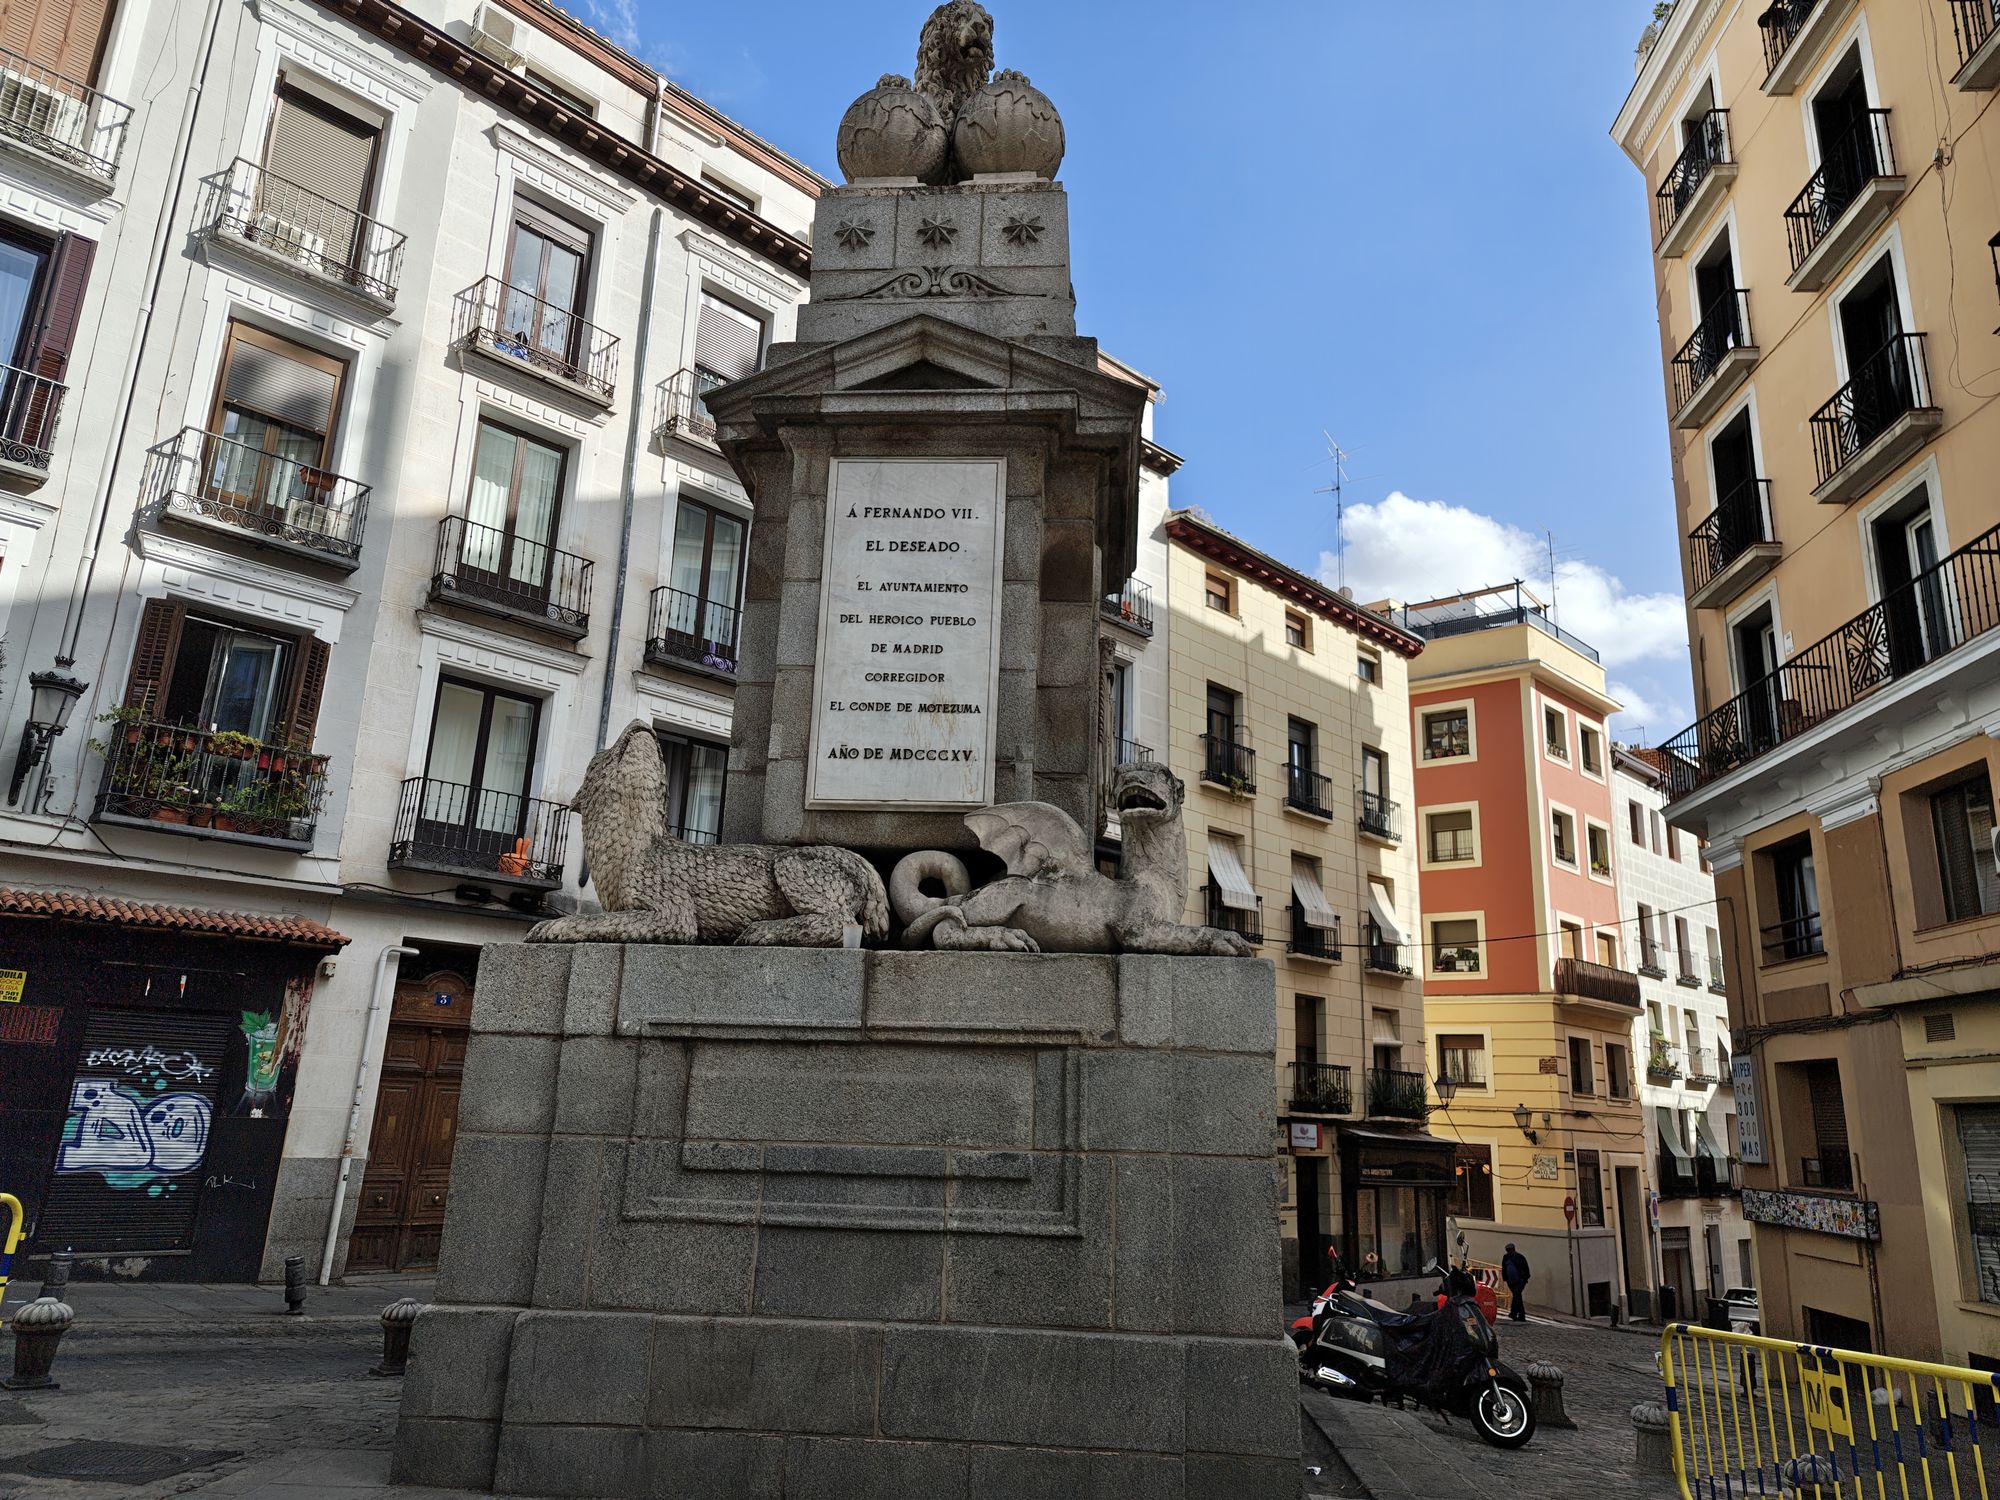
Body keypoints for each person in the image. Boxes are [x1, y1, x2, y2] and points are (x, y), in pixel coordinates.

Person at [1500, 1242, 1531, 1322]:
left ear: (1513, 1249)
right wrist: (1505, 1278)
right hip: (1511, 1281)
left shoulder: (1520, 1257)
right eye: (1507, 1250)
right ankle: (1517, 1314)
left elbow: (1526, 1269)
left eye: (1510, 1250)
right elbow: (1504, 1268)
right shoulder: (1506, 1257)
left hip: (1520, 1281)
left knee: (1517, 1295)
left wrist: (1524, 1278)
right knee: (1517, 1297)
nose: (1509, 1252)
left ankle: (1518, 1314)